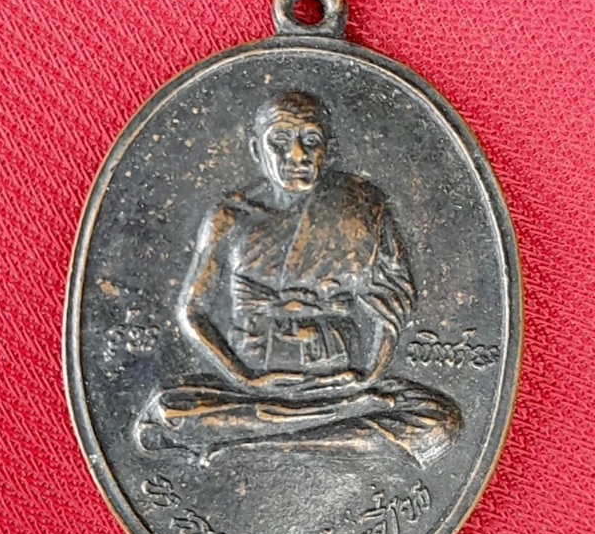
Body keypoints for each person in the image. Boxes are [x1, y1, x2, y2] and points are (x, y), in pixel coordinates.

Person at [134, 92, 462, 468]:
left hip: (341, 380)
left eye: (310, 140)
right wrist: (245, 378)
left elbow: (391, 300)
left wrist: (369, 375)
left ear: (327, 150)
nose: (296, 155)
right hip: (255, 387)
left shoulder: (362, 206)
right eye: (280, 140)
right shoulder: (231, 216)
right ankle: (331, 427)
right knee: (171, 410)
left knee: (438, 422)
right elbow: (192, 311)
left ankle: (244, 448)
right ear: (257, 150)